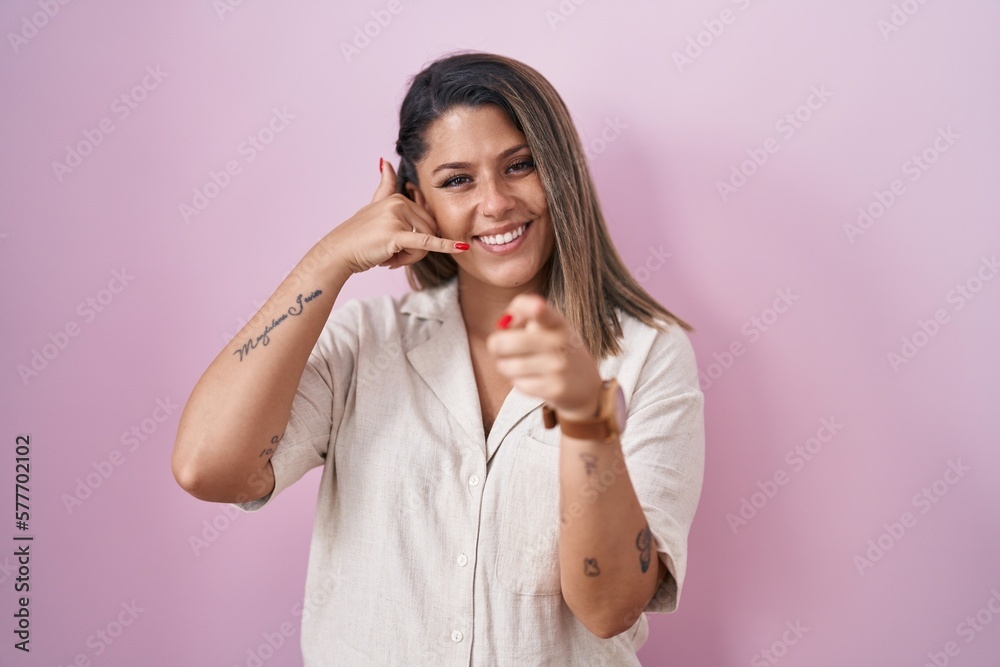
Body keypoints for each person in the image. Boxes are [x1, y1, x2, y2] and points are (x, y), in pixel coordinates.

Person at [171, 51, 705, 666]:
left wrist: (588, 423)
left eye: (520, 165)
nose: (497, 203)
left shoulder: (647, 355)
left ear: (560, 170)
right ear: (413, 199)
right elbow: (207, 468)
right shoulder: (363, 343)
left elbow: (610, 607)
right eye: (458, 180)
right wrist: (332, 258)